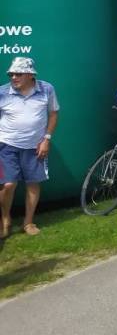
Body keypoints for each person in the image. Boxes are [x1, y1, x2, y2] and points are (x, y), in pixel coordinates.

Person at [0, 58, 59, 237]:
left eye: (18, 74)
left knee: (33, 183)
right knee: (7, 184)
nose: (14, 77)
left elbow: (54, 113)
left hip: (36, 146)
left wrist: (46, 139)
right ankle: (5, 219)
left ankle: (28, 222)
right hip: (6, 145)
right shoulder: (2, 92)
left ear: (31, 75)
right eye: (11, 74)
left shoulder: (47, 89)